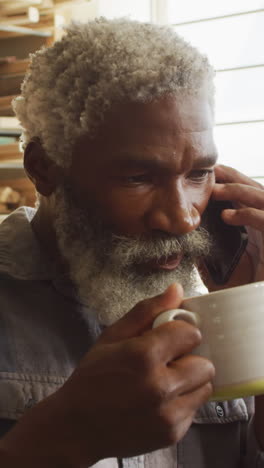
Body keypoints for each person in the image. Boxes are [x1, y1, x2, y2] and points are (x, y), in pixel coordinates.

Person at [0, 17, 264, 468]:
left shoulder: (227, 292)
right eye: (138, 177)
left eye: (198, 173)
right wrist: (63, 439)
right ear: (43, 168)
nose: (182, 220)